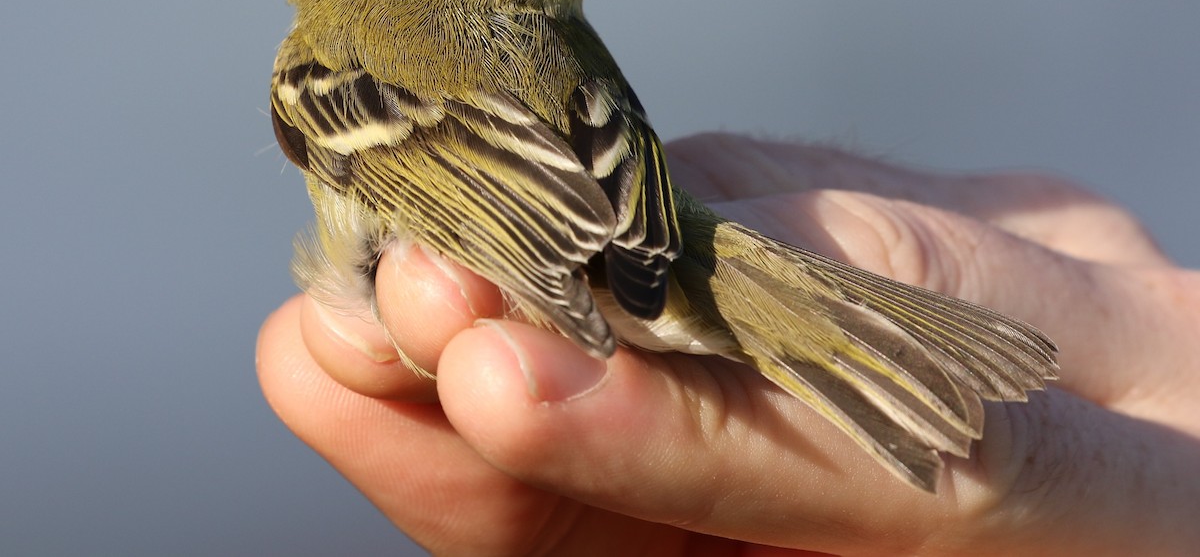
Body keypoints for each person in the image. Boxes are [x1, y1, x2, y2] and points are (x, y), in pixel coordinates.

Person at [257, 133, 1200, 555]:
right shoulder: (549, 50)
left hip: (536, 261)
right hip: (596, 237)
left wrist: (552, 269)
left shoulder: (321, 63)